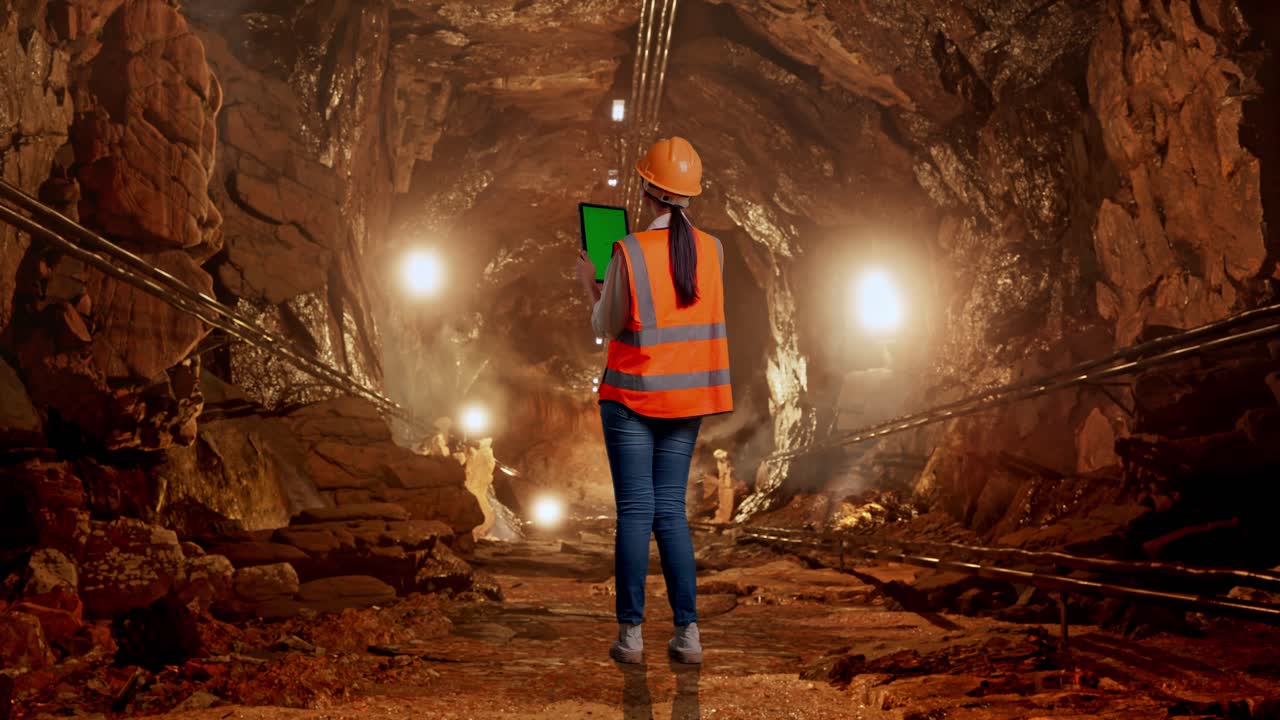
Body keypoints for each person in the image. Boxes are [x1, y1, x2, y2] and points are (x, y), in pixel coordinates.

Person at [574, 136, 733, 666]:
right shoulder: (712, 251)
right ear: (689, 195)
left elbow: (606, 325)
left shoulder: (629, 251)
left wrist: (590, 284)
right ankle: (689, 636)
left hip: (632, 398)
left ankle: (632, 637)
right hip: (686, 404)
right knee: (672, 513)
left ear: (647, 189)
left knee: (635, 513)